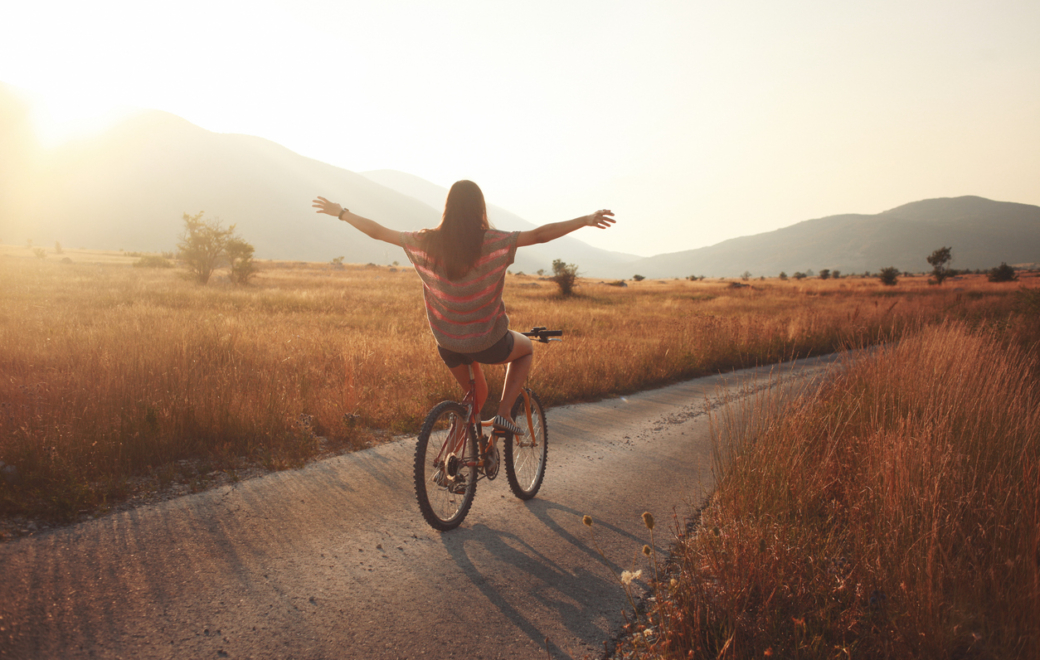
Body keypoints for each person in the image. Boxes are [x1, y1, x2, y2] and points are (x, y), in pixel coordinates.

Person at [312, 180, 615, 435]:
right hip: (488, 342)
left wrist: (341, 213)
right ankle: (506, 415)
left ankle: (452, 460)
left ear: (448, 208)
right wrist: (585, 219)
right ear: (480, 209)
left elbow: (378, 232)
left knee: (475, 397)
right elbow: (539, 235)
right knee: (526, 350)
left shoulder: (426, 242)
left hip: (447, 343)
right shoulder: (494, 242)